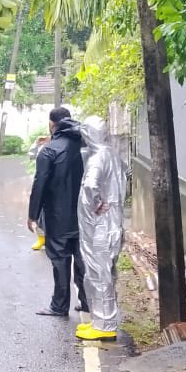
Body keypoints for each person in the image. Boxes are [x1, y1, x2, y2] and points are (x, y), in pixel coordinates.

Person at [28, 106, 89, 318]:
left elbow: (40, 184)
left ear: (51, 124)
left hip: (57, 217)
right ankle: (87, 302)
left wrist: (33, 215)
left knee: (60, 260)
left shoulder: (49, 150)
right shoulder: (86, 147)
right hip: (84, 216)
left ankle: (59, 306)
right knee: (82, 260)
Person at [75, 115, 126, 341]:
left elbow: (90, 185)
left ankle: (104, 325)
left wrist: (96, 204)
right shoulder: (112, 154)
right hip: (111, 223)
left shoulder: (97, 158)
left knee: (99, 275)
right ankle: (99, 320)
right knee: (103, 274)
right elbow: (125, 175)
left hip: (101, 227)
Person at [27, 134, 49, 251]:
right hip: (40, 183)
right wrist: (36, 143)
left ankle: (50, 239)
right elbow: (31, 156)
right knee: (40, 214)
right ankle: (41, 239)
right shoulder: (43, 146)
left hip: (54, 186)